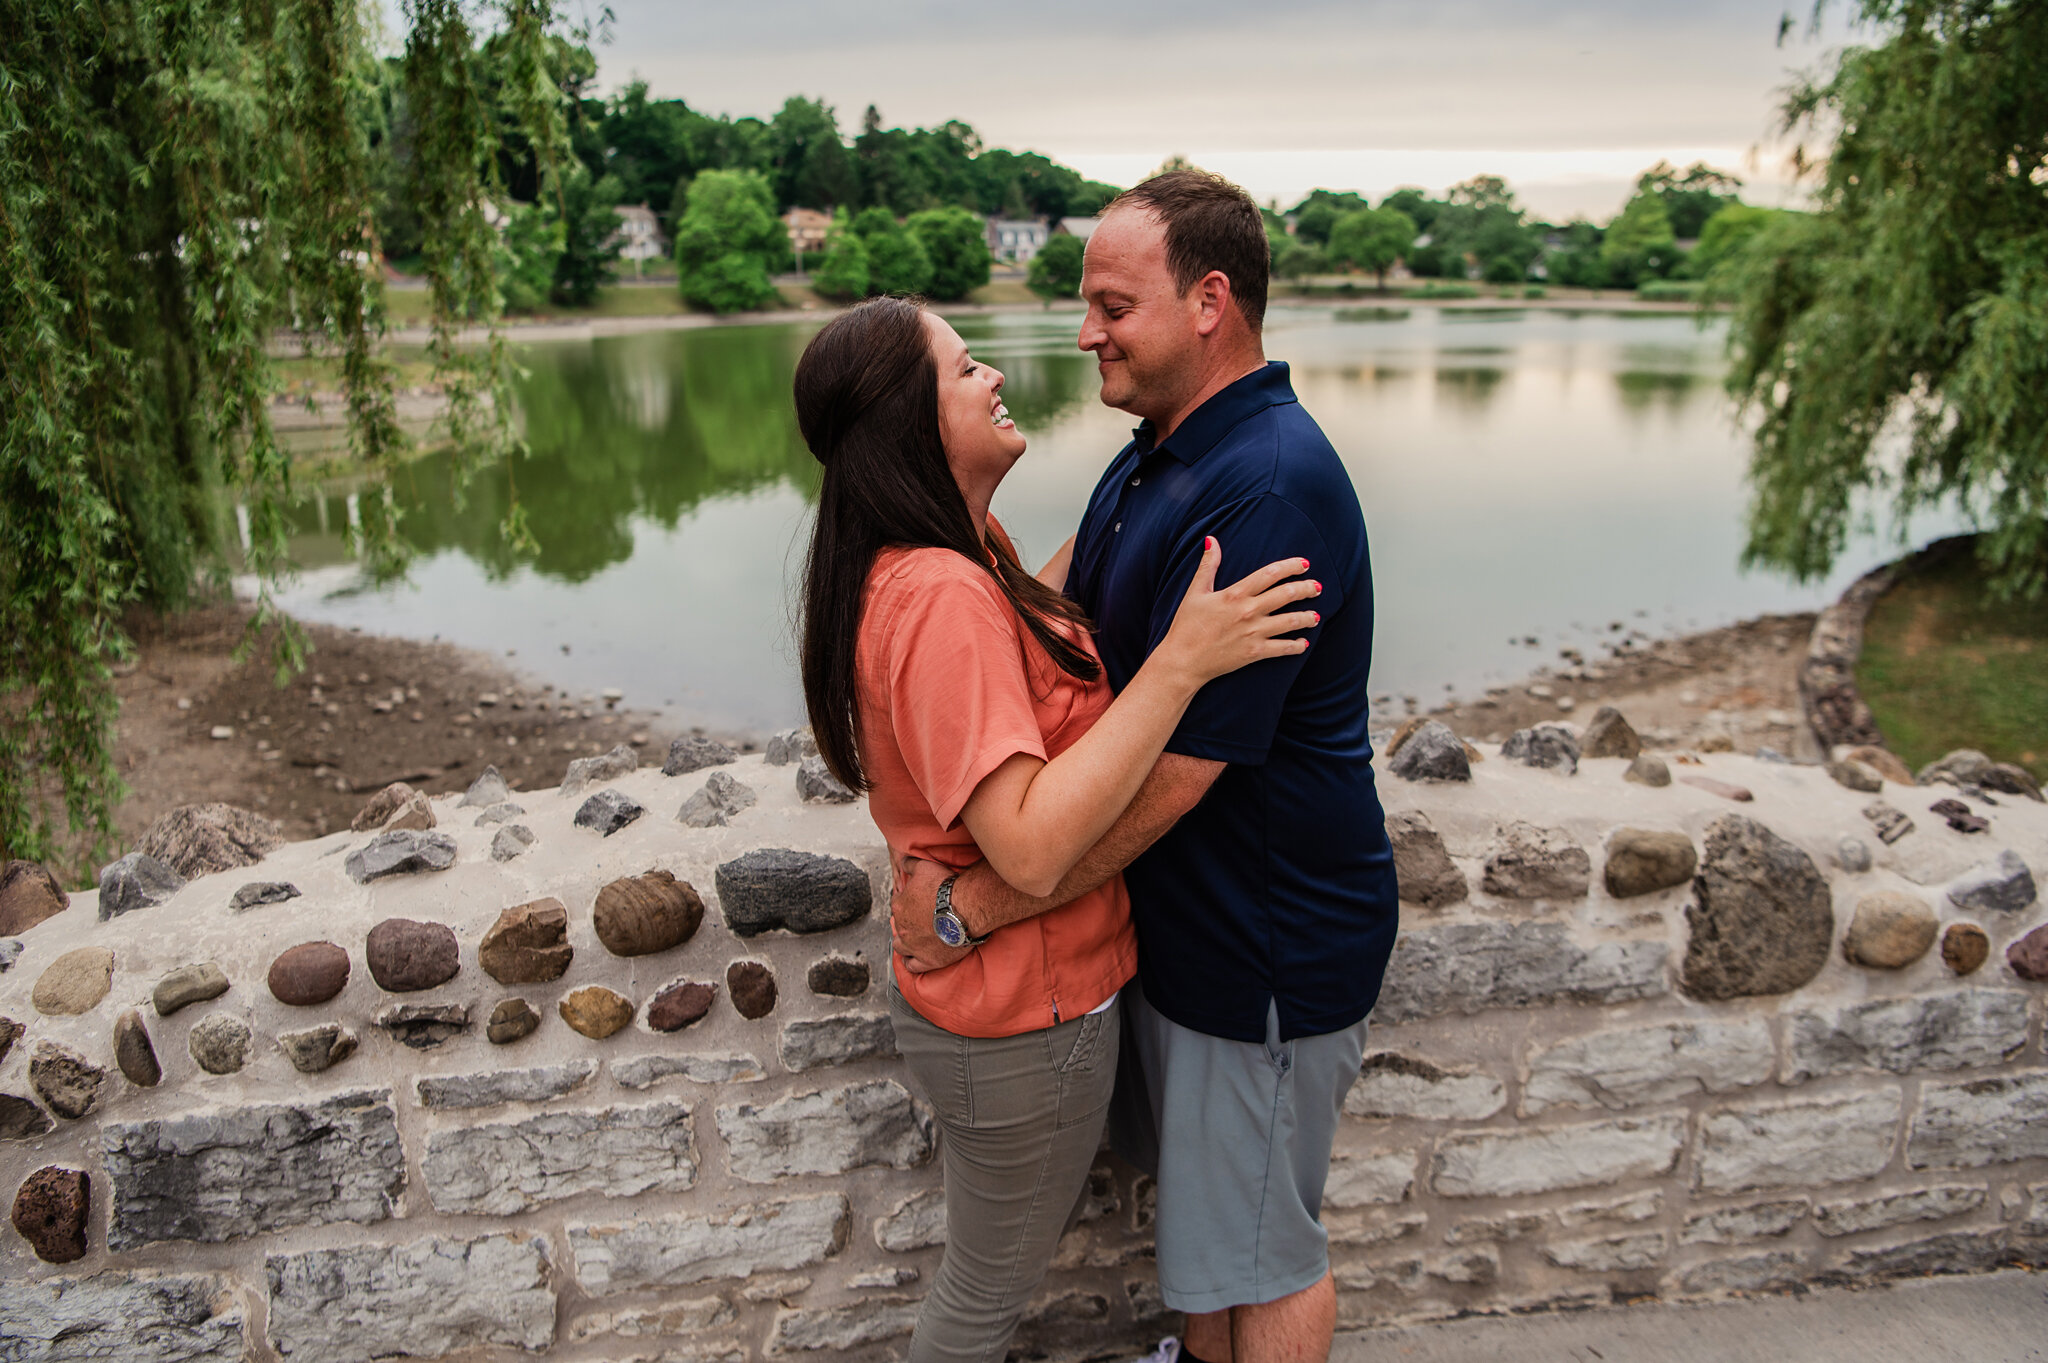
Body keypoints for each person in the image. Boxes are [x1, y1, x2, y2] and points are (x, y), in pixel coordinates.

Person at [892, 171, 1400, 1363]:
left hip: (1262, 939)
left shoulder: (1265, 486)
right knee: (1214, 1248)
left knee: (1266, 1257)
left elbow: (1181, 774)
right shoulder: (1160, 450)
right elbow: (1054, 607)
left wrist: (975, 905)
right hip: (1191, 930)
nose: (1084, 333)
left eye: (1112, 306)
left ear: (1209, 299)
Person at [792, 294, 1322, 1363]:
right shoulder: (940, 592)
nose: (991, 375)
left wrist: (1161, 468)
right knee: (983, 1293)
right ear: (908, 421)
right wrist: (1181, 660)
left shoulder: (962, 554)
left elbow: (1026, 630)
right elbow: (1029, 845)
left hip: (1013, 1001)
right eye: (960, 369)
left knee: (991, 1271)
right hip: (1020, 1019)